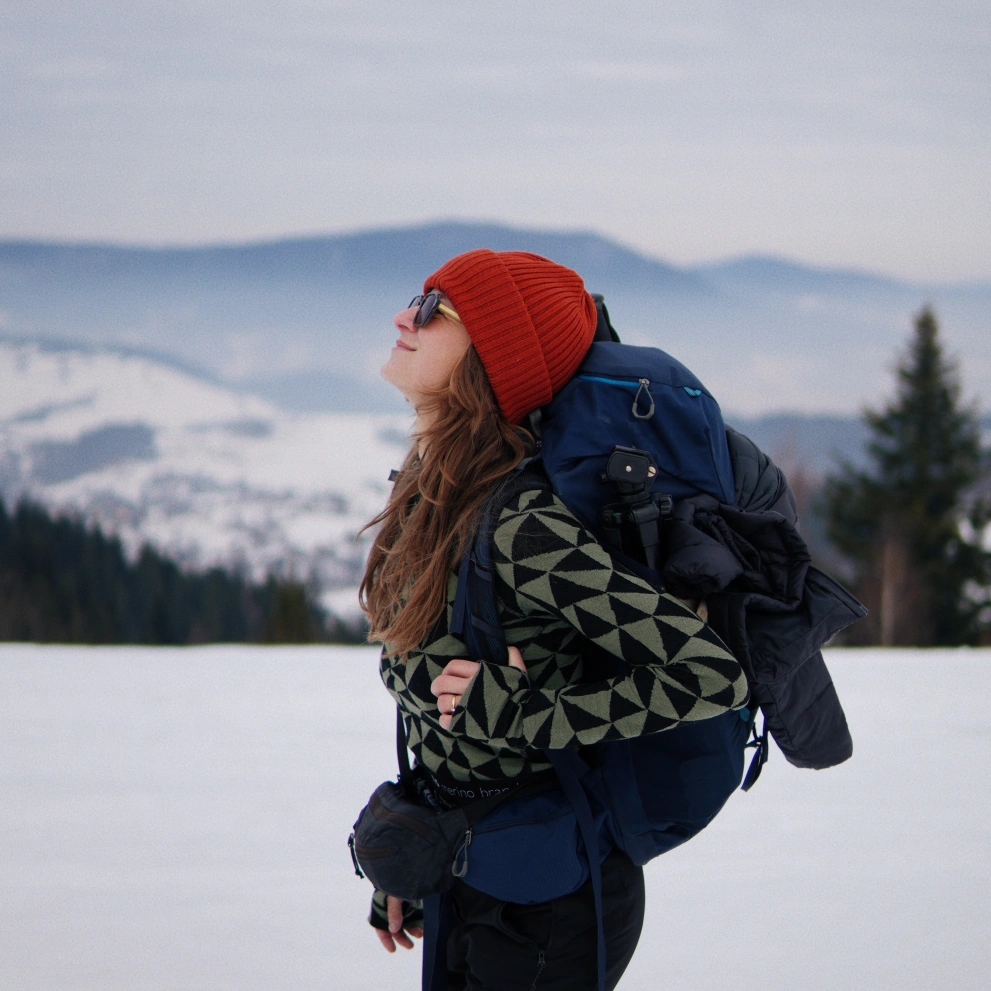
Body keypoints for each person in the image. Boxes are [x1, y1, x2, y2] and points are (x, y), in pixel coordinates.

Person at [359, 249, 749, 990]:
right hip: (464, 872)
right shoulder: (429, 486)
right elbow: (434, 693)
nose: (403, 315)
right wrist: (411, 843)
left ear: (492, 353)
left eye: (433, 305)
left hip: (548, 907)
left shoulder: (521, 525)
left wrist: (528, 710)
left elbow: (709, 675)